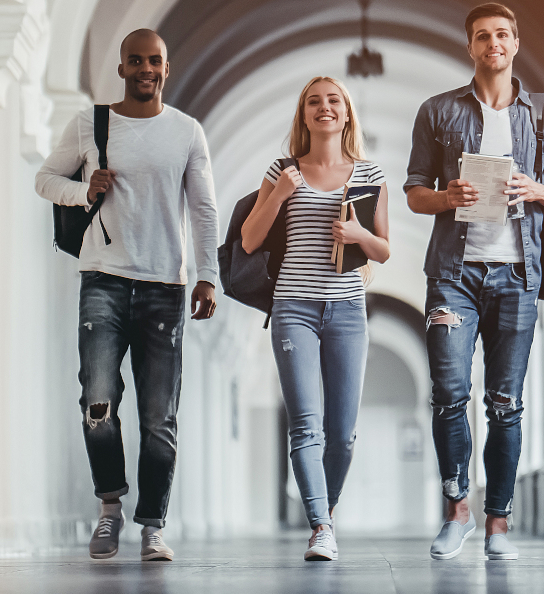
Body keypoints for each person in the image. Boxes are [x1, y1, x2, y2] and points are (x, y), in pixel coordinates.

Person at [35, 29, 219, 562]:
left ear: (167, 67)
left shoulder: (186, 131)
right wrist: (82, 190)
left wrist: (207, 274)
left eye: (154, 60)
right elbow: (46, 178)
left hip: (165, 286)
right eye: (135, 60)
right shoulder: (92, 124)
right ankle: (109, 508)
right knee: (98, 401)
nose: (145, 68)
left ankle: (153, 526)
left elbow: (204, 210)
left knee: (159, 416)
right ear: (121, 68)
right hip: (103, 281)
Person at [405, 2, 544, 561]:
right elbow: (413, 192)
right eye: (483, 36)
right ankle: (457, 511)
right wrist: (446, 196)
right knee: (450, 396)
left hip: (517, 273)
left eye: (502, 34)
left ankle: (498, 525)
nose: (493, 44)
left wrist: (537, 191)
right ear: (471, 47)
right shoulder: (438, 111)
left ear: (516, 42)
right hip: (453, 276)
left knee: (505, 403)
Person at [240, 76, 390, 561]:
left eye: (333, 101)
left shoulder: (370, 175)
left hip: (347, 310)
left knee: (342, 434)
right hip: (294, 309)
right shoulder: (282, 170)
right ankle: (321, 525)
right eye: (314, 102)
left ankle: (326, 509)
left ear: (347, 113)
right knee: (307, 425)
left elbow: (384, 251)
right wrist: (281, 194)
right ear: (303, 115)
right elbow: (248, 240)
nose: (324, 108)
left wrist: (357, 235)